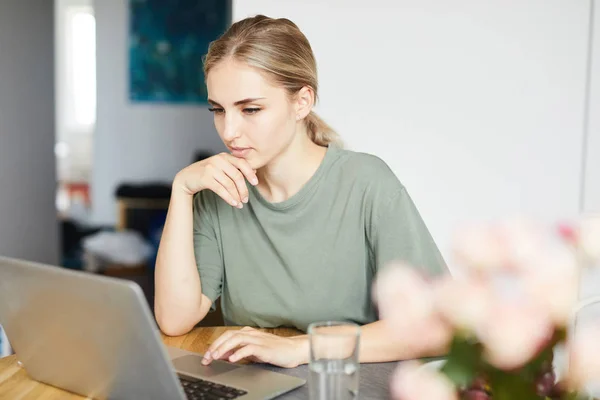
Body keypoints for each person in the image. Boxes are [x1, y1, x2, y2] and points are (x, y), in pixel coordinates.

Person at [154, 14, 448, 369]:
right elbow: (174, 319)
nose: (229, 131)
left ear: (302, 102)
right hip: (258, 381)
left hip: (346, 383)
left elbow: (434, 327)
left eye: (251, 109)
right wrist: (181, 190)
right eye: (218, 110)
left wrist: (302, 348)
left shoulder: (366, 183)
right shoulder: (218, 191)